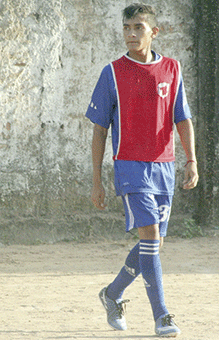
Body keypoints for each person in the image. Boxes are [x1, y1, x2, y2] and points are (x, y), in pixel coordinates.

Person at [85, 3, 199, 338]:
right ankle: (162, 316)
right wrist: (97, 180)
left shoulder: (172, 69)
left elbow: (182, 119)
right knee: (149, 237)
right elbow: (99, 130)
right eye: (127, 28)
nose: (131, 34)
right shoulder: (112, 72)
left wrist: (191, 159)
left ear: (154, 32)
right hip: (130, 166)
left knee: (154, 244)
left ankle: (112, 293)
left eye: (138, 28)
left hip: (164, 166)